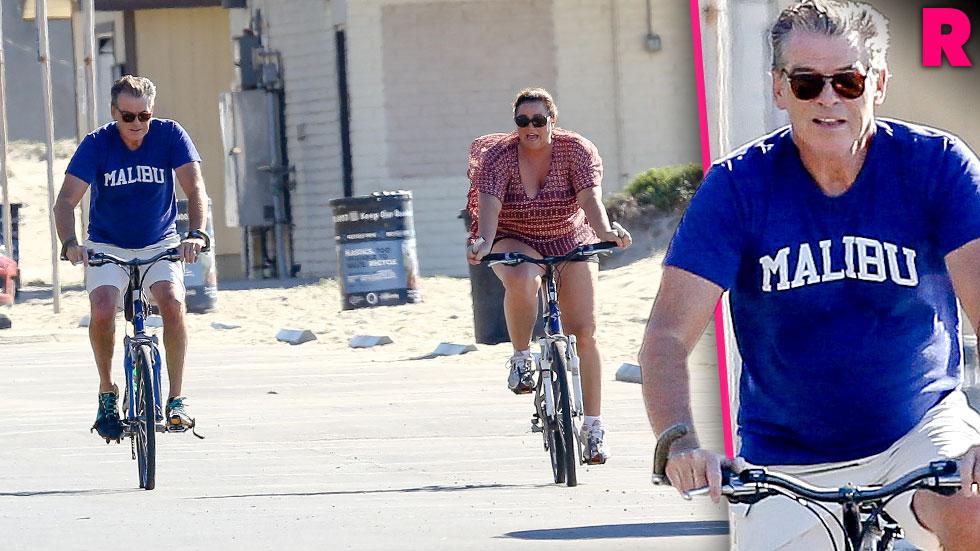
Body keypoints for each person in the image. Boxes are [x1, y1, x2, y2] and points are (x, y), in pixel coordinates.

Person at [639, 1, 980, 549]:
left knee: (973, 507)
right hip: (786, 464)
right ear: (779, 88)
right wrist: (679, 442)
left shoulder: (937, 165)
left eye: (848, 80)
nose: (829, 99)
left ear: (879, 83)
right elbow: (666, 336)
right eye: (806, 83)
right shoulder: (737, 188)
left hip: (920, 434)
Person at [466, 87, 632, 465]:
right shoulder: (499, 157)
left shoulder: (577, 150)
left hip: (569, 236)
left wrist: (606, 232)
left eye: (538, 120)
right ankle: (522, 357)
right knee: (524, 279)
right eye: (522, 121)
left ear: (552, 120)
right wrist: (484, 241)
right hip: (516, 236)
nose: (530, 128)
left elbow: (590, 199)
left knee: (585, 332)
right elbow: (489, 206)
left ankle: (593, 428)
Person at [54, 75, 210, 442]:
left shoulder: (170, 135)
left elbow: (195, 188)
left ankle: (176, 400)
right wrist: (70, 243)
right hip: (108, 246)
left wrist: (196, 235)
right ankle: (107, 393)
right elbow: (65, 201)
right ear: (114, 113)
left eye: (144, 115)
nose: (137, 124)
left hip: (160, 243)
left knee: (172, 303)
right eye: (128, 117)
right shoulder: (97, 144)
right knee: (104, 309)